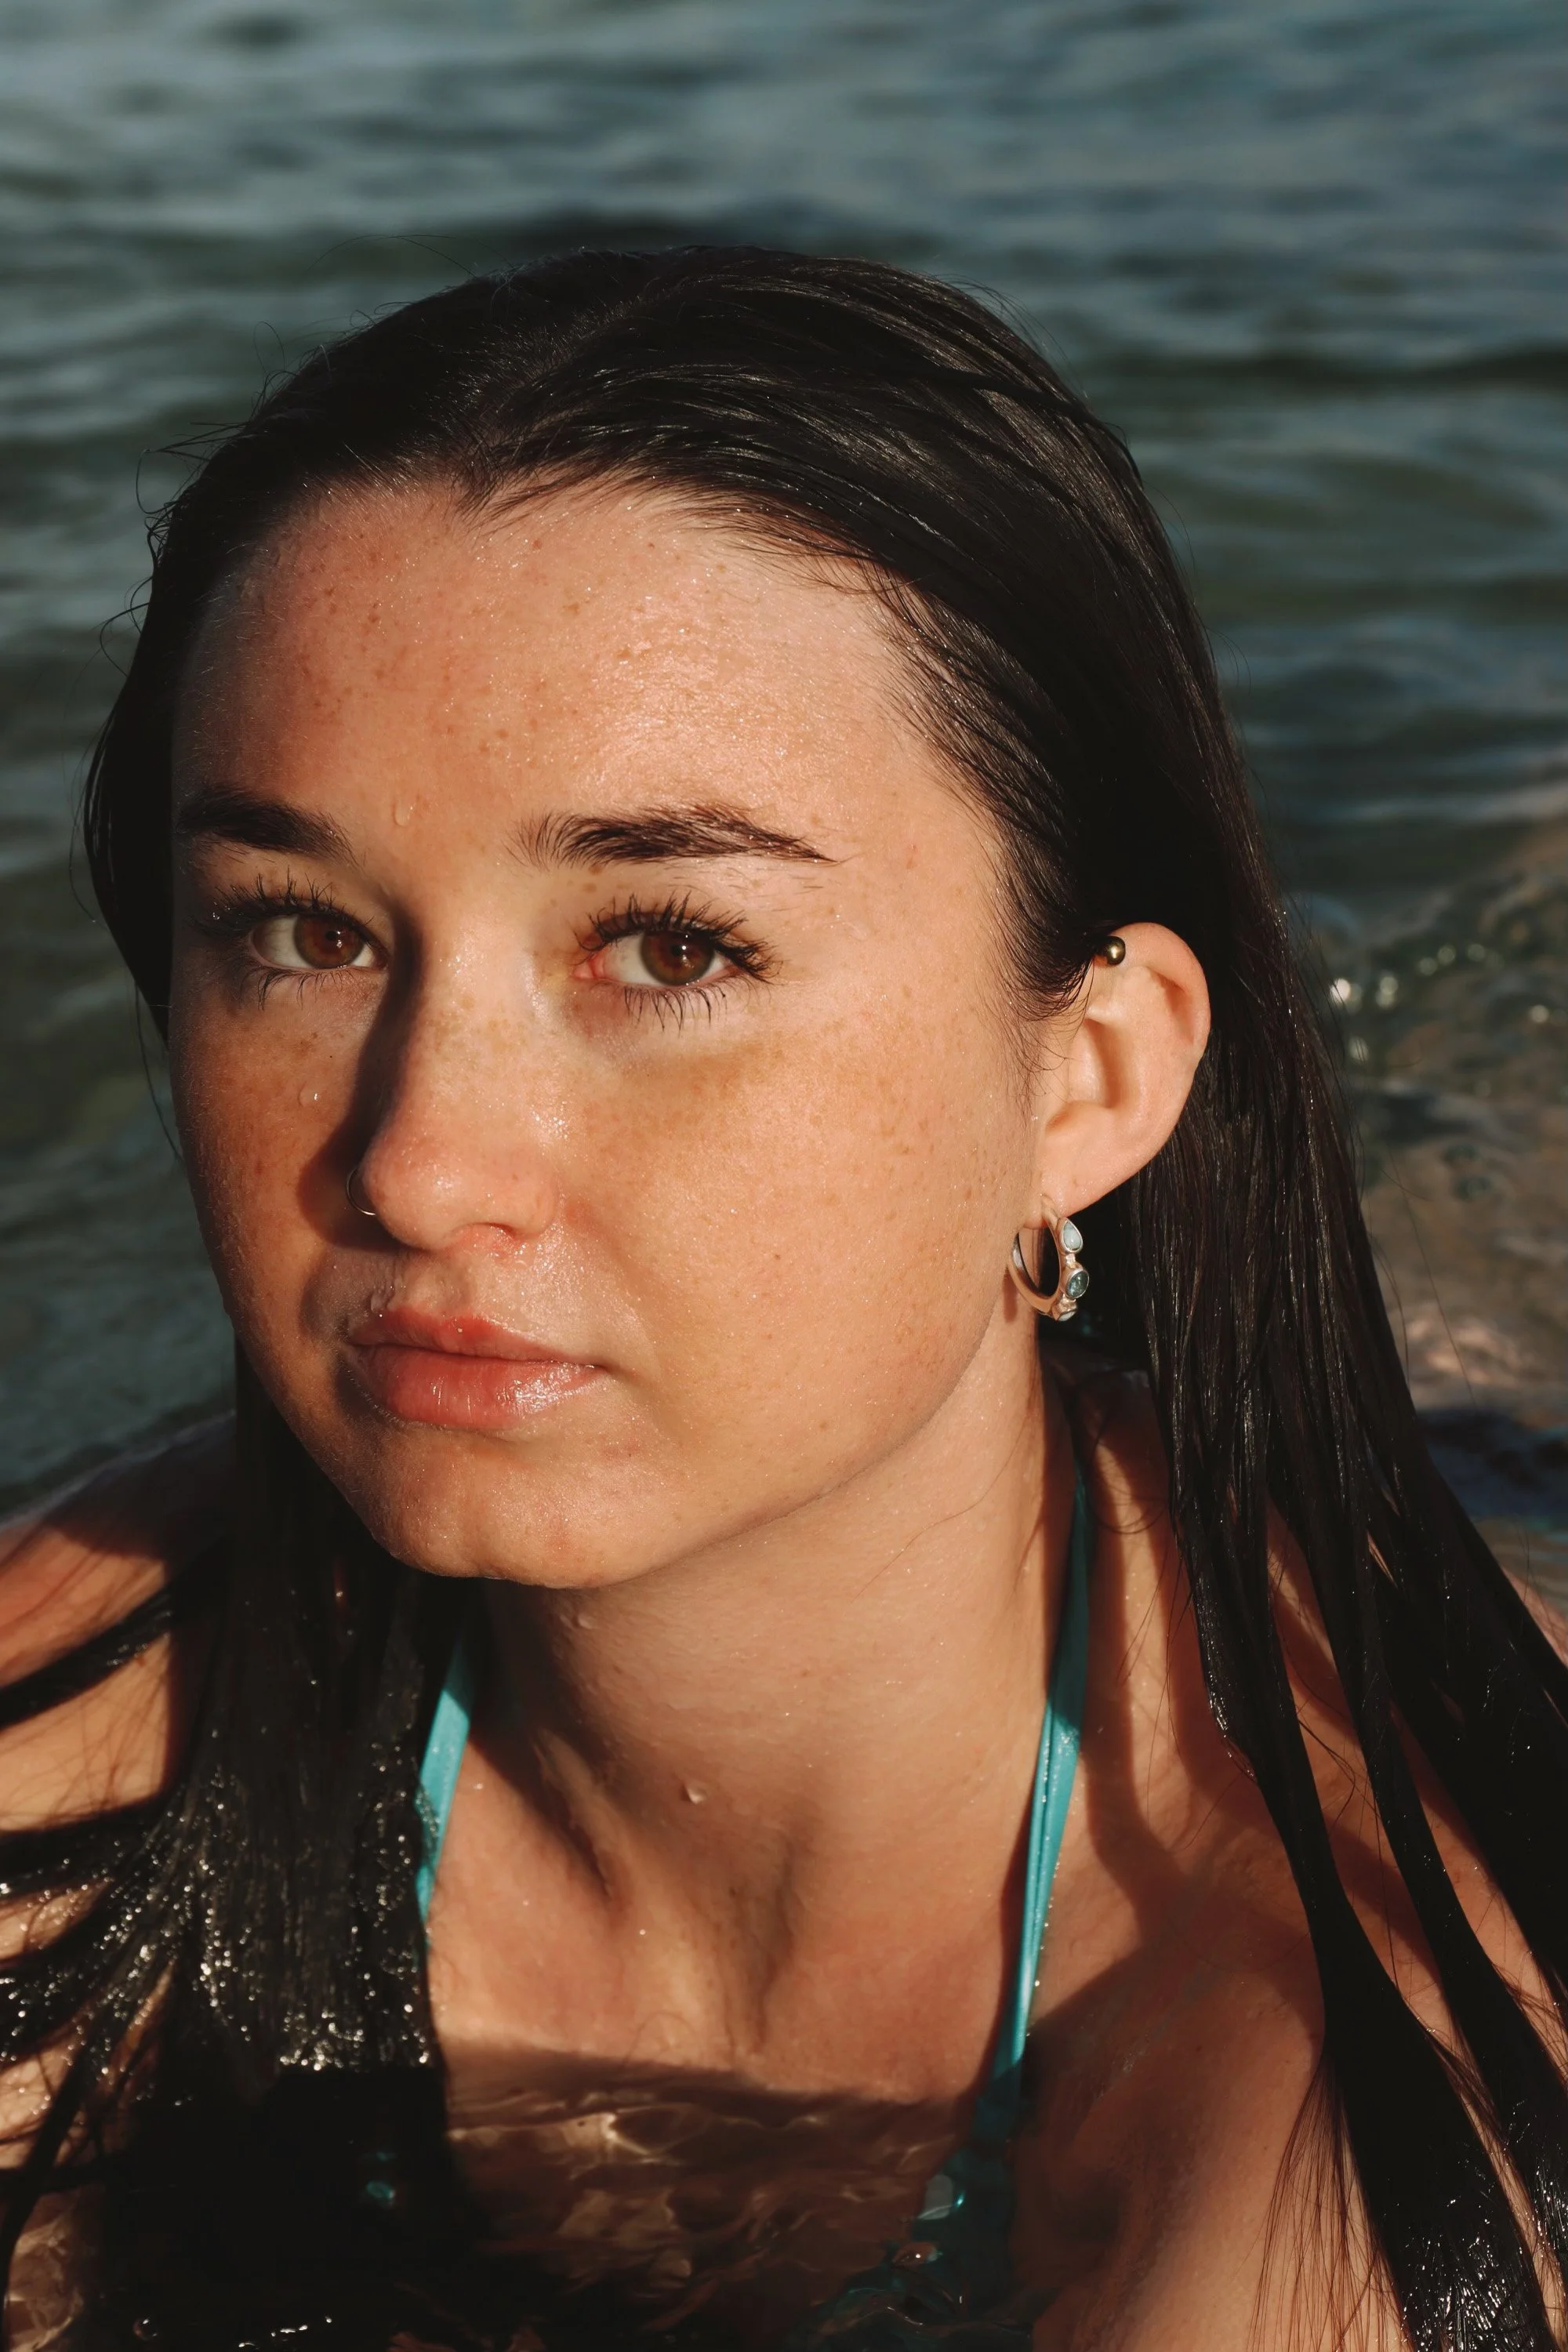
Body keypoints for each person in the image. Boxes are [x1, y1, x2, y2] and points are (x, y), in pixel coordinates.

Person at [2, 248, 1565, 2352]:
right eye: (299, 934)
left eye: (670, 949)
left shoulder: (1346, 2119)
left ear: (1086, 1080)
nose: (414, 1166)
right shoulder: (70, 1751)